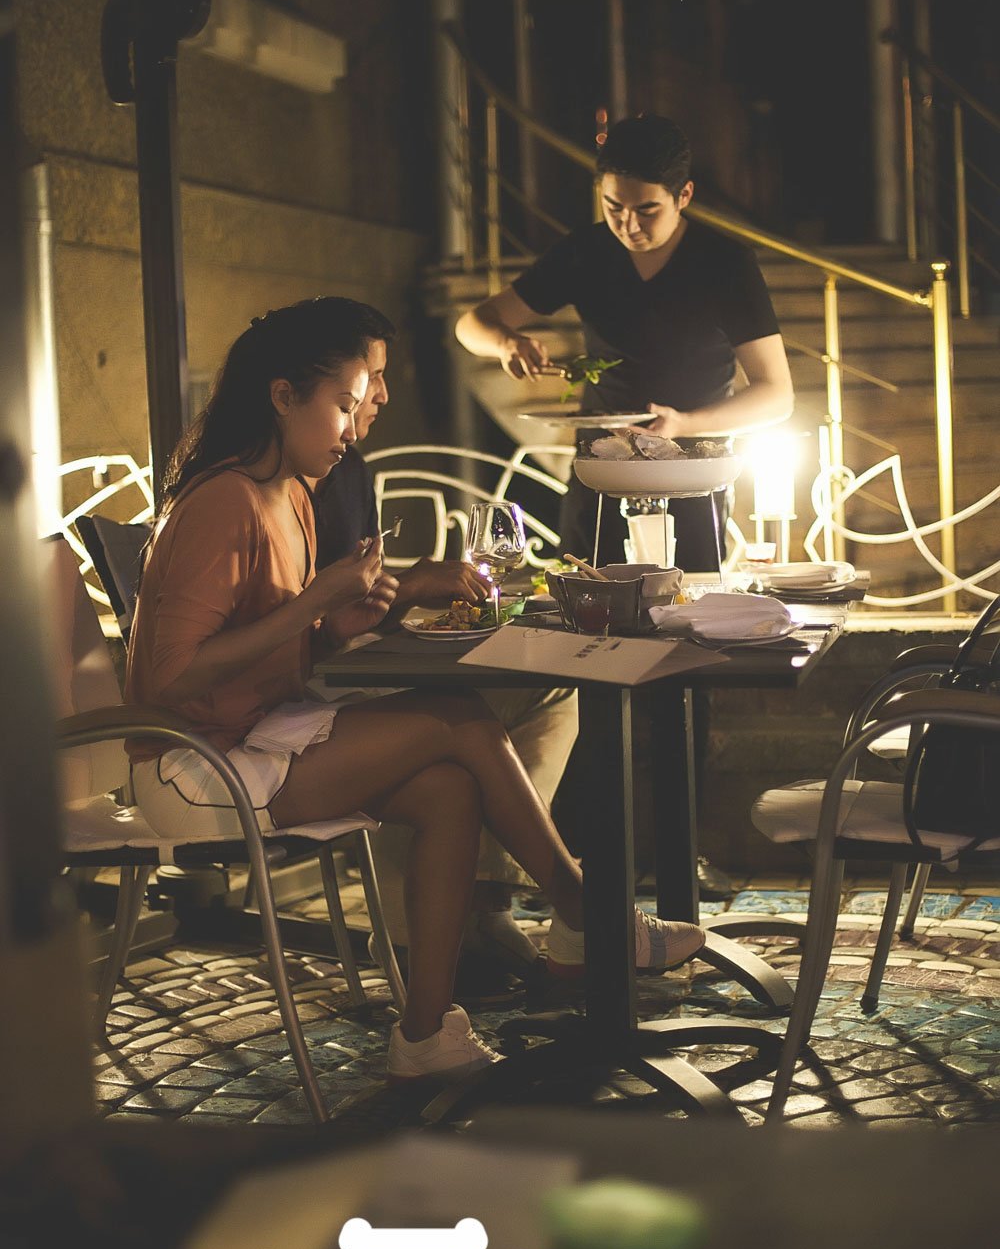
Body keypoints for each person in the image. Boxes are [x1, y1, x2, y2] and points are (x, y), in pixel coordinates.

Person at [124, 298, 705, 1085]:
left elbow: (283, 643)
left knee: (447, 790)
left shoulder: (290, 492)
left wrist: (361, 611)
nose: (355, 423)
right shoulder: (225, 499)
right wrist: (315, 603)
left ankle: (425, 1036)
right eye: (344, 402)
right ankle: (584, 909)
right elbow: (173, 676)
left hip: (257, 737)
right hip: (190, 768)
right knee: (458, 717)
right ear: (282, 395)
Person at [310, 315, 578, 980]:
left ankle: (483, 905)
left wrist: (405, 590)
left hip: (339, 666)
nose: (382, 395)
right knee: (460, 715)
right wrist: (409, 588)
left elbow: (345, 600)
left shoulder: (344, 467)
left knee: (551, 685)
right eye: (367, 382)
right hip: (306, 699)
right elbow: (311, 616)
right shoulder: (268, 487)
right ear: (290, 394)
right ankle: (563, 908)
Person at [454, 113, 794, 572]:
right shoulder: (585, 252)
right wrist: (504, 343)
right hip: (602, 468)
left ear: (684, 196)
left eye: (646, 210)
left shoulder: (725, 263)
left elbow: (777, 395)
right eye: (613, 207)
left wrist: (684, 424)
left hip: (691, 470)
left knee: (690, 600)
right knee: (587, 592)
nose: (628, 225)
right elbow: (472, 325)